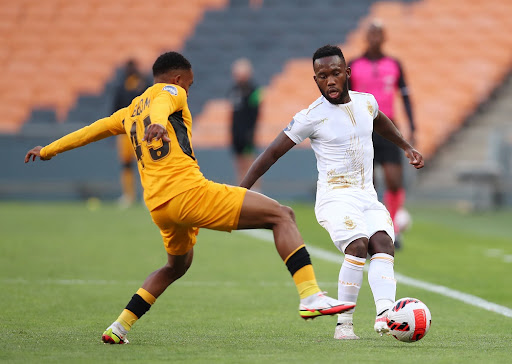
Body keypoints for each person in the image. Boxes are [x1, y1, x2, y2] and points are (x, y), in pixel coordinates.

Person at [24, 51, 355, 344]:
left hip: (158, 206)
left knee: (176, 265)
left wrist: (50, 149)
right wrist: (156, 123)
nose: (188, 91)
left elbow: (91, 130)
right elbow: (162, 103)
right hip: (187, 192)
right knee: (281, 215)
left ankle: (119, 326)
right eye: (190, 85)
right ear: (179, 78)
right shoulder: (170, 91)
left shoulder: (127, 112)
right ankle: (310, 295)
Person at [240, 45, 424, 340]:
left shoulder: (366, 103)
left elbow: (380, 121)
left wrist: (406, 146)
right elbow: (272, 153)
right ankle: (344, 325)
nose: (330, 81)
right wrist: (240, 191)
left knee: (383, 244)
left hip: (366, 196)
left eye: (335, 73)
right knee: (358, 245)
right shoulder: (311, 116)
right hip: (335, 198)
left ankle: (385, 315)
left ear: (347, 73)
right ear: (316, 80)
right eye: (322, 76)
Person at [348, 20, 416, 248]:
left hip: (388, 127)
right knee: (370, 184)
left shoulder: (394, 64)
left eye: (379, 33)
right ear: (366, 37)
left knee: (394, 180)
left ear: (384, 37)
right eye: (372, 33)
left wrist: (412, 127)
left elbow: (405, 97)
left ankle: (394, 228)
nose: (375, 37)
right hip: (363, 129)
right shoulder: (354, 65)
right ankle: (374, 229)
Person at [112, 59, 150, 207]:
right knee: (126, 164)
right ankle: (128, 195)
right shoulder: (121, 86)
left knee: (144, 163)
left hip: (140, 130)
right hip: (124, 132)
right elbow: (115, 109)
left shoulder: (144, 85)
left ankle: (147, 194)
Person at [228, 58, 262, 185]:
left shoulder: (253, 90)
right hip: (236, 133)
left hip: (247, 133)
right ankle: (241, 191)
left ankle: (256, 191)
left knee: (251, 165)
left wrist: (251, 132)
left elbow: (256, 113)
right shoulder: (234, 90)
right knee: (238, 165)